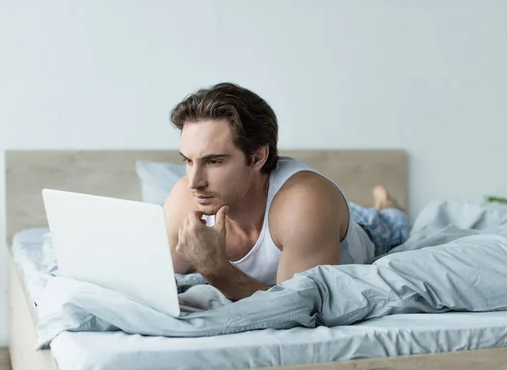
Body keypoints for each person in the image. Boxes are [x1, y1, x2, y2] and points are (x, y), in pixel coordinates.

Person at [163, 83, 410, 301]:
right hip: (309, 218)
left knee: (391, 224)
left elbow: (300, 306)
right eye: (188, 160)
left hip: (364, 229)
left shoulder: (305, 203)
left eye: (214, 162)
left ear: (258, 157)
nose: (194, 182)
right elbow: (153, 277)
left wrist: (216, 270)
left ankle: (387, 204)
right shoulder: (184, 197)